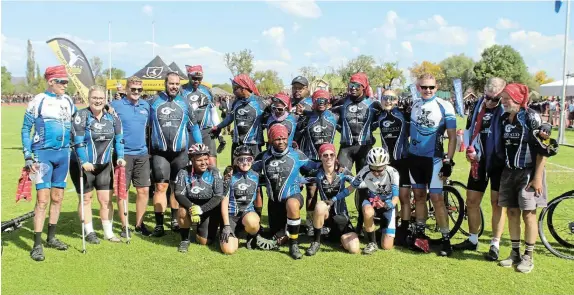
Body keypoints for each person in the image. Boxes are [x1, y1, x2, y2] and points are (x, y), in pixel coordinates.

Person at [498, 83, 556, 273]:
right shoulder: (504, 118)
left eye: (508, 98)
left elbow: (543, 149)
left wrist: (538, 177)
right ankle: (514, 253)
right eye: (503, 98)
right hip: (509, 171)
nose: (504, 102)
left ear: (518, 98)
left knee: (528, 214)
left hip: (529, 173)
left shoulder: (531, 117)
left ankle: (528, 256)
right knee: (512, 212)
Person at [21, 65, 77, 261]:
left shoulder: (68, 101)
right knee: (42, 200)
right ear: (51, 82)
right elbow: (25, 129)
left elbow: (77, 121)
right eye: (62, 81)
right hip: (42, 156)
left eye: (66, 81)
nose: (66, 85)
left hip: (63, 155)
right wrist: (28, 156)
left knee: (57, 198)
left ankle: (51, 237)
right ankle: (36, 244)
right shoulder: (38, 100)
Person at [453, 78, 506, 261]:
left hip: (499, 162)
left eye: (495, 99)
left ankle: (495, 244)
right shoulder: (477, 106)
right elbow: (468, 129)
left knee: (496, 203)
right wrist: (469, 149)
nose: (490, 102)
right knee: (472, 200)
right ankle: (473, 239)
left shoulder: (506, 107)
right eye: (488, 97)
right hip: (479, 160)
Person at [252, 124, 321, 259]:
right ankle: (286, 233)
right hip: (274, 205)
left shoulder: (296, 154)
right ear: (271, 140)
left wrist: (329, 165)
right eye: (277, 139)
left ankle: (293, 245)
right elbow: (251, 173)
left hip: (293, 196)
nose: (281, 141)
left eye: (284, 138)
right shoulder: (263, 156)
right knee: (276, 233)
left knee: (292, 204)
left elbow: (313, 165)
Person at [148, 72, 203, 237]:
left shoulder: (185, 102)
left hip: (180, 153)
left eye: (177, 84)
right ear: (165, 83)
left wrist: (200, 144)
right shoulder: (153, 102)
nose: (174, 86)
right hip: (160, 153)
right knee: (160, 187)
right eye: (171, 83)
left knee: (176, 187)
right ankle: (159, 225)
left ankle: (173, 219)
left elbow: (194, 127)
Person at [408, 73, 457, 256]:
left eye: (431, 87)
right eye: (423, 87)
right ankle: (421, 236)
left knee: (437, 200)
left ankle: (446, 240)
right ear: (418, 87)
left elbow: (452, 137)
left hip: (434, 159)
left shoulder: (445, 106)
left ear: (436, 88)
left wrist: (448, 161)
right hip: (414, 158)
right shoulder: (414, 104)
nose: (427, 90)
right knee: (419, 196)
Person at [70, 85, 126, 243]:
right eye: (94, 98)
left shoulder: (112, 118)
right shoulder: (81, 116)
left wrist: (120, 156)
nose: (98, 101)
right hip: (83, 166)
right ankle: (89, 232)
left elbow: (119, 140)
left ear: (105, 100)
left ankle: (109, 233)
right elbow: (77, 141)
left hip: (104, 165)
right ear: (89, 99)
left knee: (106, 200)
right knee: (86, 199)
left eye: (101, 98)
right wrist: (84, 161)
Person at [211, 74, 268, 217]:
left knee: (256, 184)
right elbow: (229, 118)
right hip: (237, 145)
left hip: (253, 146)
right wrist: (217, 127)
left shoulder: (261, 103)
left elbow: (272, 121)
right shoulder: (236, 102)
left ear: (243, 88)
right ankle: (235, 214)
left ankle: (257, 217)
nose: (233, 91)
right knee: (234, 179)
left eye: (235, 88)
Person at [333, 73, 382, 235]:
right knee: (336, 183)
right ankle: (340, 223)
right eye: (351, 85)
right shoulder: (341, 103)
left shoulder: (374, 104)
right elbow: (331, 120)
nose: (353, 89)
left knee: (364, 188)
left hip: (364, 149)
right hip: (346, 149)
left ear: (364, 87)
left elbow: (381, 121)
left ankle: (362, 225)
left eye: (357, 86)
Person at [330, 147, 400, 254]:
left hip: (387, 205)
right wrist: (334, 198)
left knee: (386, 246)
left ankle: (378, 232)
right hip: (371, 201)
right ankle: (372, 242)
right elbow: (350, 189)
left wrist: (389, 204)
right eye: (373, 169)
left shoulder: (393, 173)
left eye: (380, 169)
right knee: (367, 211)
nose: (376, 173)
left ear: (386, 165)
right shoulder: (364, 171)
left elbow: (395, 197)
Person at [110, 76, 153, 237]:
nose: (136, 92)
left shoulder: (145, 106)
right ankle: (124, 226)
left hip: (142, 154)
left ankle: (139, 224)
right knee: (123, 192)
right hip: (123, 155)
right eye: (133, 89)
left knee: (143, 191)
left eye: (139, 90)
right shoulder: (116, 105)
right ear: (126, 90)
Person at [295, 89, 339, 236]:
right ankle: (310, 224)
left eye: (324, 101)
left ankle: (328, 223)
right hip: (311, 160)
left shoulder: (335, 116)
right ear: (313, 102)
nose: (321, 103)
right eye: (318, 100)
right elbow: (296, 137)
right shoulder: (307, 118)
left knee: (329, 193)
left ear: (329, 102)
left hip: (328, 160)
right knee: (311, 193)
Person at [371, 89, 411, 245]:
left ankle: (405, 230)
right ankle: (388, 226)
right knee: (386, 196)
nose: (387, 101)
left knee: (404, 197)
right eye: (384, 98)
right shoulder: (379, 116)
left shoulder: (403, 115)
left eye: (391, 98)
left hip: (403, 161)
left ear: (396, 100)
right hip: (387, 164)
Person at [304, 143, 360, 256]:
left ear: (335, 156)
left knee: (354, 249)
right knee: (320, 205)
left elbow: (357, 184)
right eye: (325, 155)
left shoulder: (343, 172)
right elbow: (300, 180)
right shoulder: (317, 173)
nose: (329, 158)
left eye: (331, 155)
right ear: (320, 157)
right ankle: (316, 241)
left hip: (341, 217)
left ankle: (336, 237)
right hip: (326, 216)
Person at [220, 146, 274, 254]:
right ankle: (237, 233)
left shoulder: (256, 176)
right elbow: (224, 203)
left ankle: (252, 234)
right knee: (229, 250)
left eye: (248, 159)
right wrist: (226, 225)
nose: (245, 163)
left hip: (247, 214)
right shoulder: (229, 177)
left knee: (253, 222)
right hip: (231, 217)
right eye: (241, 159)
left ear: (252, 160)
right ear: (235, 161)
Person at [174, 144, 224, 252]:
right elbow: (178, 194)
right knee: (182, 211)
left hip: (209, 208)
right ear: (192, 160)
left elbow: (218, 196)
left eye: (206, 159)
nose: (204, 163)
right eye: (199, 160)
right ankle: (185, 240)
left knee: (204, 241)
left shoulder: (214, 172)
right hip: (191, 206)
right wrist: (192, 208)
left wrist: (201, 210)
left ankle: (203, 228)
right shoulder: (183, 172)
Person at [181, 65, 223, 167]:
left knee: (212, 166)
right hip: (189, 132)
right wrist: (196, 105)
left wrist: (220, 135)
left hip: (207, 132)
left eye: (199, 79)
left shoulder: (207, 91)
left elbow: (213, 112)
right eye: (194, 78)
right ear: (188, 76)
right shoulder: (181, 91)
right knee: (190, 165)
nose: (196, 81)